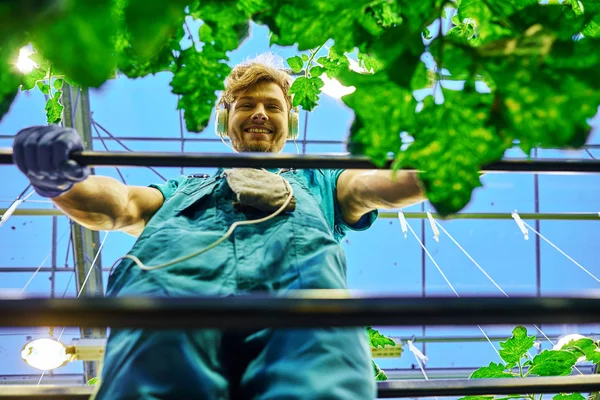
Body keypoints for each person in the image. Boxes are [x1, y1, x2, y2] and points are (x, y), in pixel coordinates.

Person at [12, 55, 425, 399]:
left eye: (273, 106)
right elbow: (120, 204)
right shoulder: (180, 187)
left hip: (302, 310)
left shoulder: (322, 180)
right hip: (169, 304)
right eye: (246, 105)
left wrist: (449, 155)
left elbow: (376, 186)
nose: (259, 113)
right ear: (227, 121)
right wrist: (61, 178)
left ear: (290, 123)